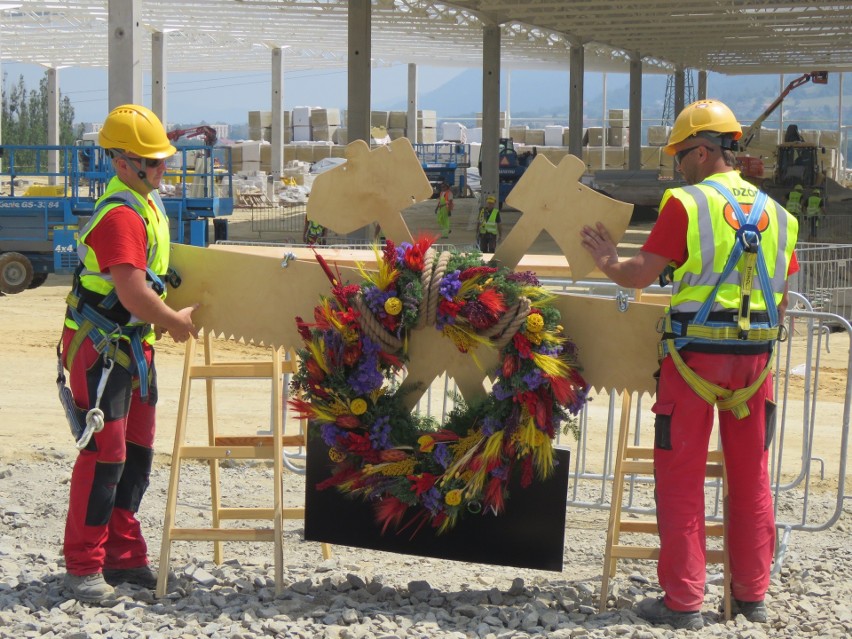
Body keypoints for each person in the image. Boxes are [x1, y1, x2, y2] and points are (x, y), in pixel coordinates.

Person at [580, 99, 799, 630]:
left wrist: (607, 260)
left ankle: (683, 602)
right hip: (754, 366)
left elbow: (639, 274)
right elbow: (782, 295)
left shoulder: (687, 204)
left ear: (702, 151)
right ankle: (751, 596)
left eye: (680, 154)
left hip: (694, 359)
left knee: (680, 477)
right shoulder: (780, 216)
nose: (677, 165)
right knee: (751, 478)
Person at [58, 104, 199, 603]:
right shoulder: (120, 215)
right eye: (154, 162)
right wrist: (175, 322)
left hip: (131, 349)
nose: (164, 169)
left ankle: (123, 555)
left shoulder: (145, 205)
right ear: (123, 163)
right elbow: (134, 293)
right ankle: (83, 567)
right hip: (100, 351)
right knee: (105, 456)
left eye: (163, 161)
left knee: (135, 457)